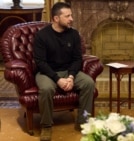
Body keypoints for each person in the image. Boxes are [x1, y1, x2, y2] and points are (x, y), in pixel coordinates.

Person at [33, 2, 95, 141]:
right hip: (47, 73)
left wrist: (71, 77)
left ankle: (83, 122)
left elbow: (77, 59)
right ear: (56, 18)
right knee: (47, 89)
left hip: (68, 71)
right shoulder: (42, 36)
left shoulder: (73, 34)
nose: (71, 19)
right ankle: (46, 126)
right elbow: (41, 62)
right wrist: (57, 79)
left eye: (71, 15)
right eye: (67, 16)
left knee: (88, 83)